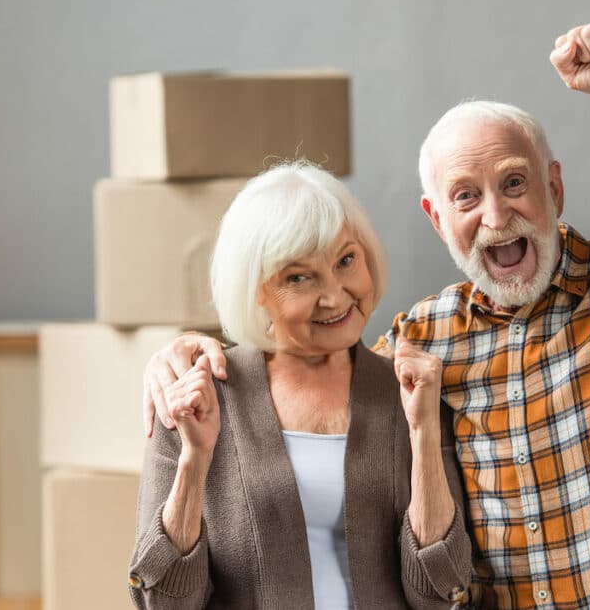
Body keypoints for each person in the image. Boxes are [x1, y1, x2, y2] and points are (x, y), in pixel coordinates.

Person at [141, 17, 590, 609]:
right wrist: (178, 353)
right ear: (438, 221)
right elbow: (302, 368)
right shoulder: (418, 343)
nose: (496, 216)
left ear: (553, 186)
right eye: (466, 197)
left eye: (514, 183)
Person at [128, 163, 472, 609]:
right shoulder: (196, 396)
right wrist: (194, 460)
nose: (334, 296)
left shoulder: (409, 395)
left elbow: (441, 596)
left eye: (346, 260)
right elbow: (162, 602)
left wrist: (424, 435)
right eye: (298, 277)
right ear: (255, 290)